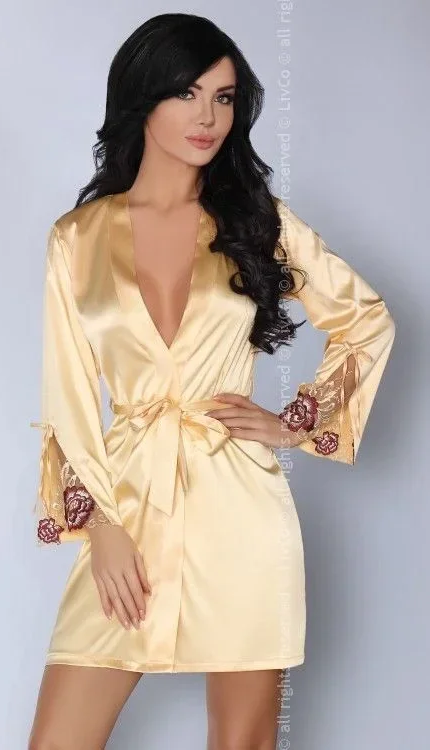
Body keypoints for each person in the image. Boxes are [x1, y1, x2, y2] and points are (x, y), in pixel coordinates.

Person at [28, 13, 396, 750]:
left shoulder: (258, 223)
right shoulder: (78, 238)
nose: (207, 117)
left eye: (224, 98)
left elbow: (367, 319)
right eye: (187, 93)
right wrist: (101, 527)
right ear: (143, 98)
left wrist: (295, 422)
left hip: (241, 515)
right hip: (127, 508)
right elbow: (66, 397)